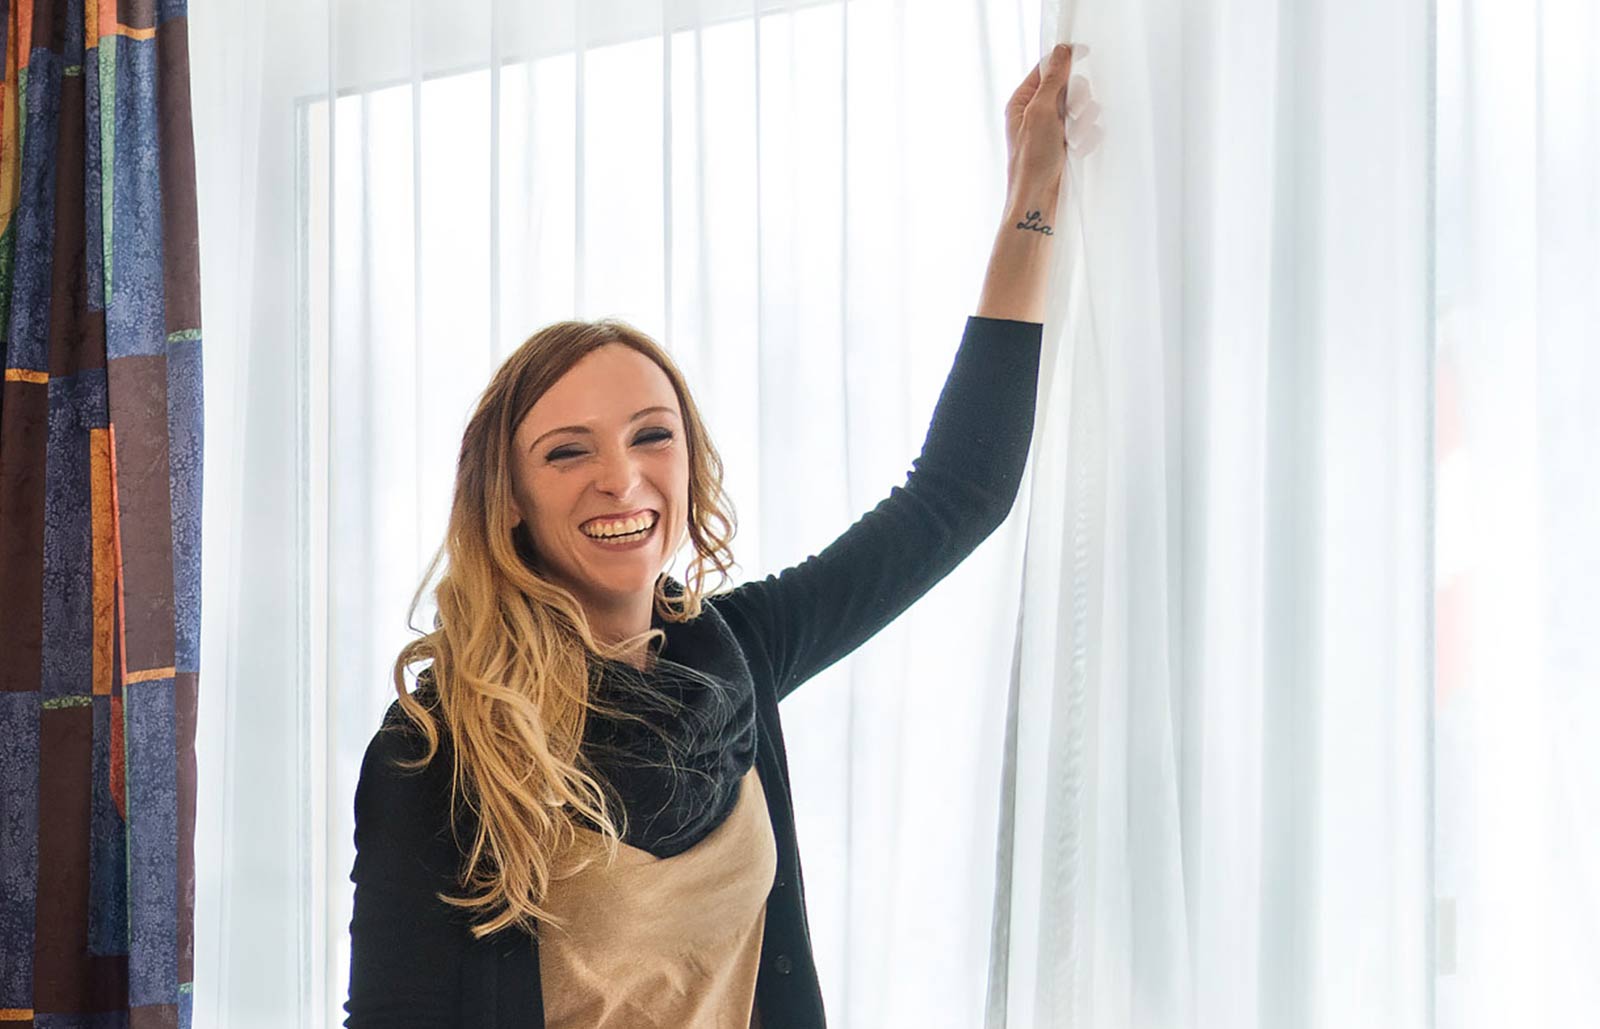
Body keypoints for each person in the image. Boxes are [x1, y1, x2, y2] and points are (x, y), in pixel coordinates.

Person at [345, 41, 1087, 1029]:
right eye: (568, 452)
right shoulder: (439, 749)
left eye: (652, 436)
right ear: (508, 496)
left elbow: (959, 495)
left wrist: (1029, 203)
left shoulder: (736, 655)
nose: (622, 477)